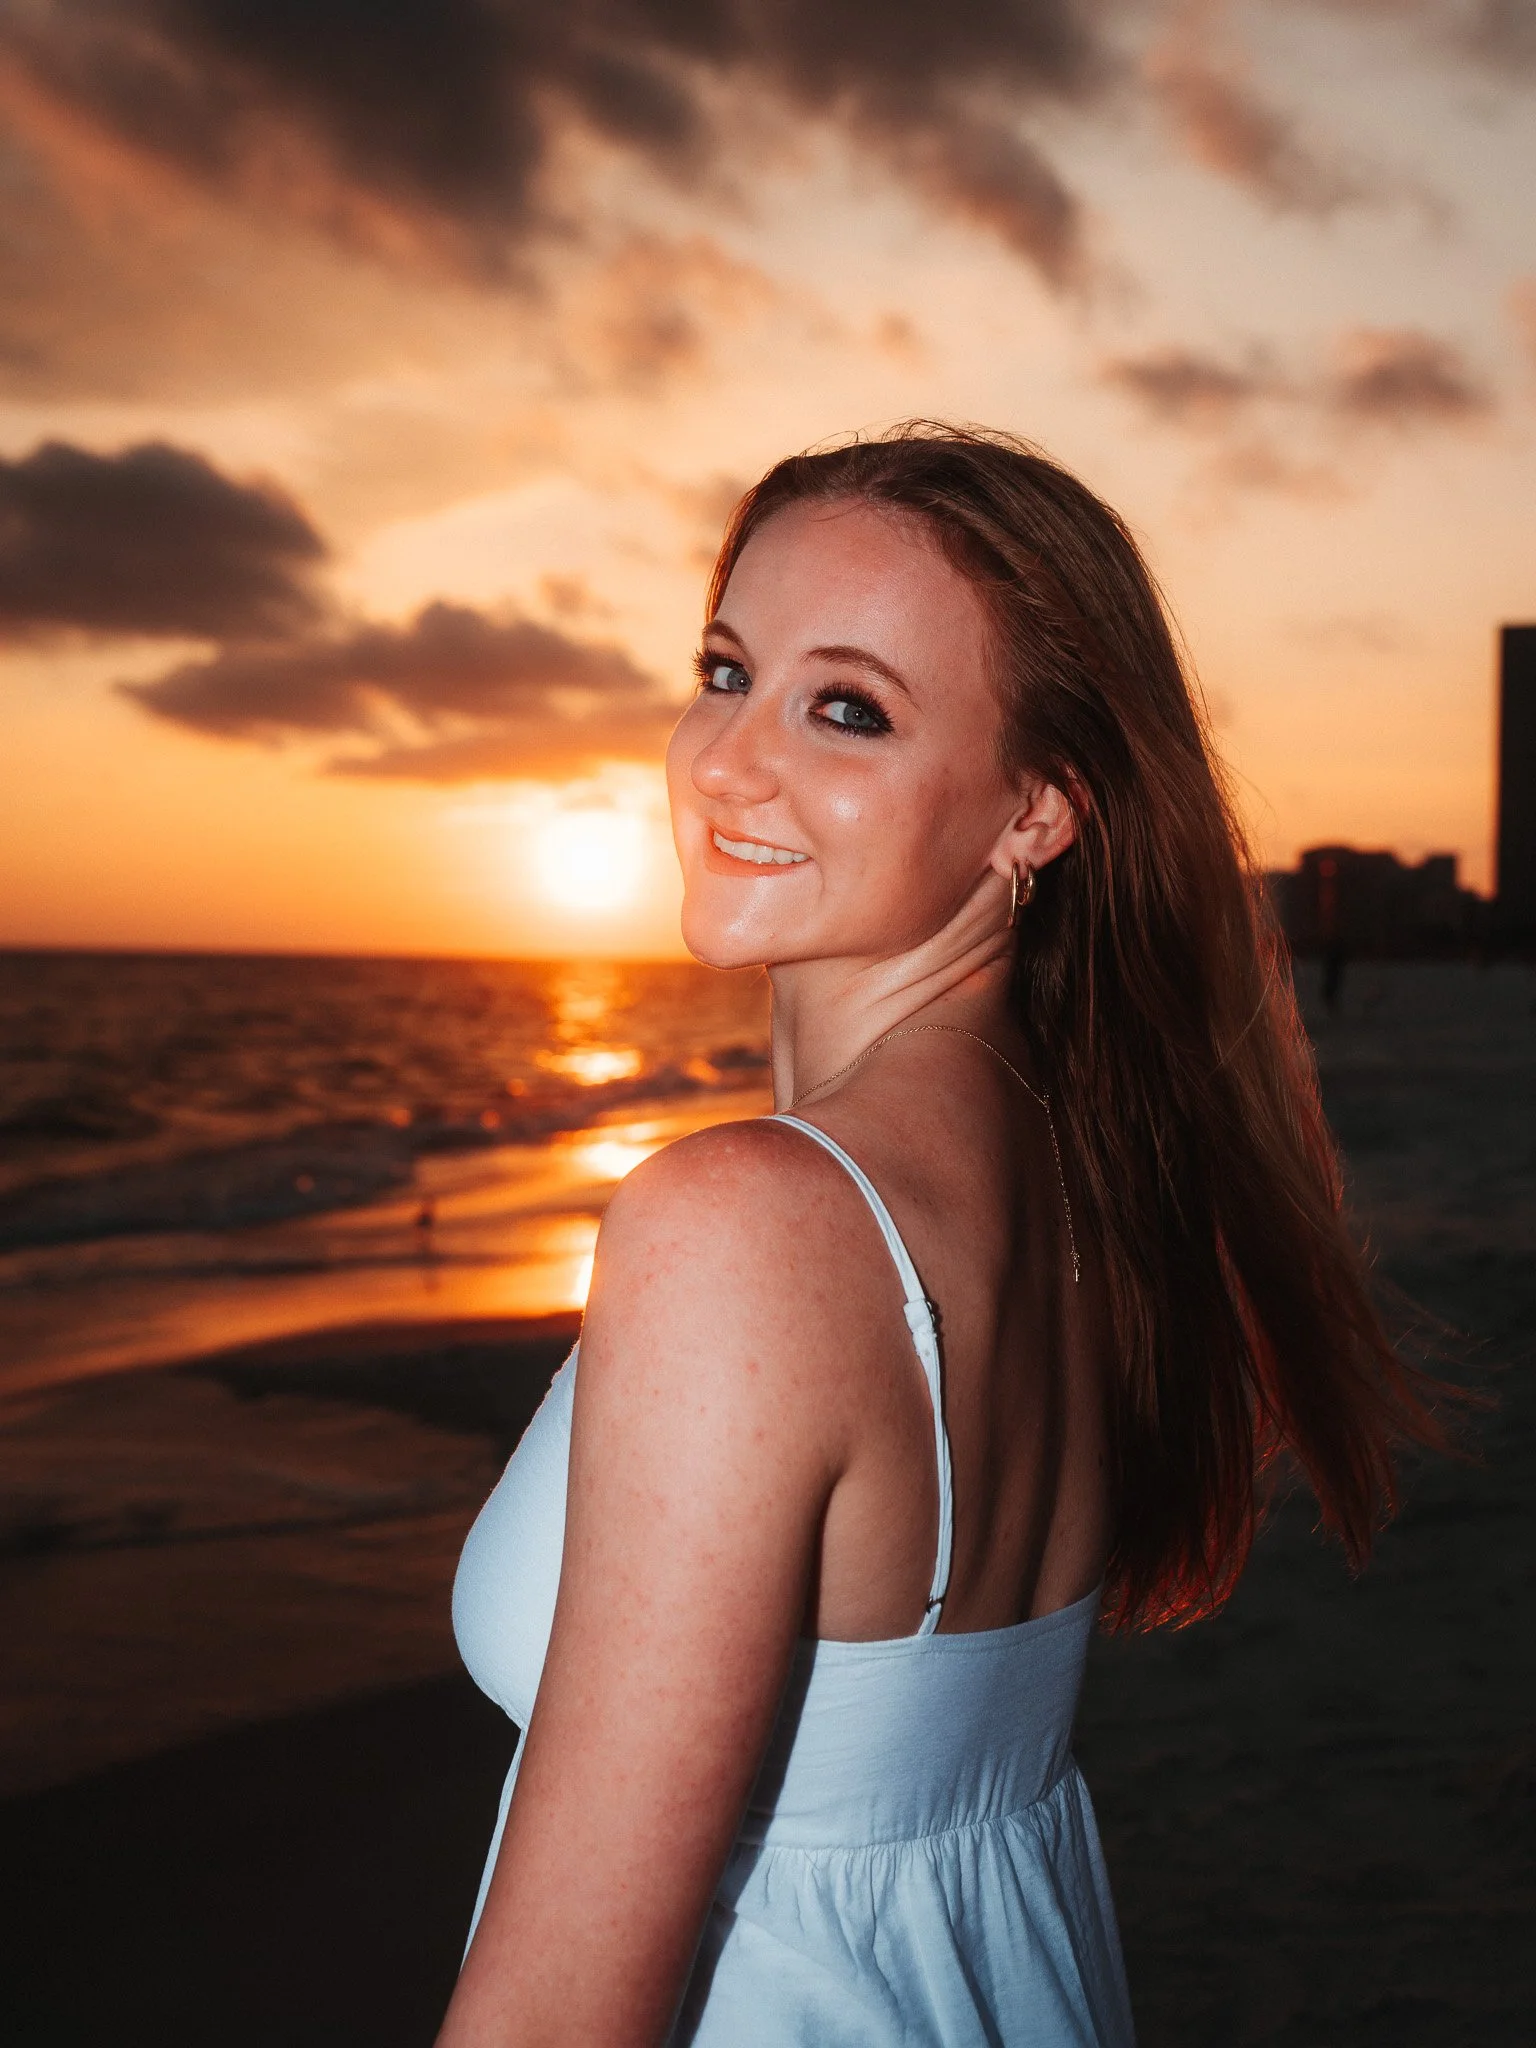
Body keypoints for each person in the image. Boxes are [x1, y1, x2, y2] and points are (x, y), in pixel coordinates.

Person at [439, 425, 1444, 2046]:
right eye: (725, 671)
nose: (726, 760)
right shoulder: (1085, 1181)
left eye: (846, 708)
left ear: (1038, 809)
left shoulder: (747, 1227)